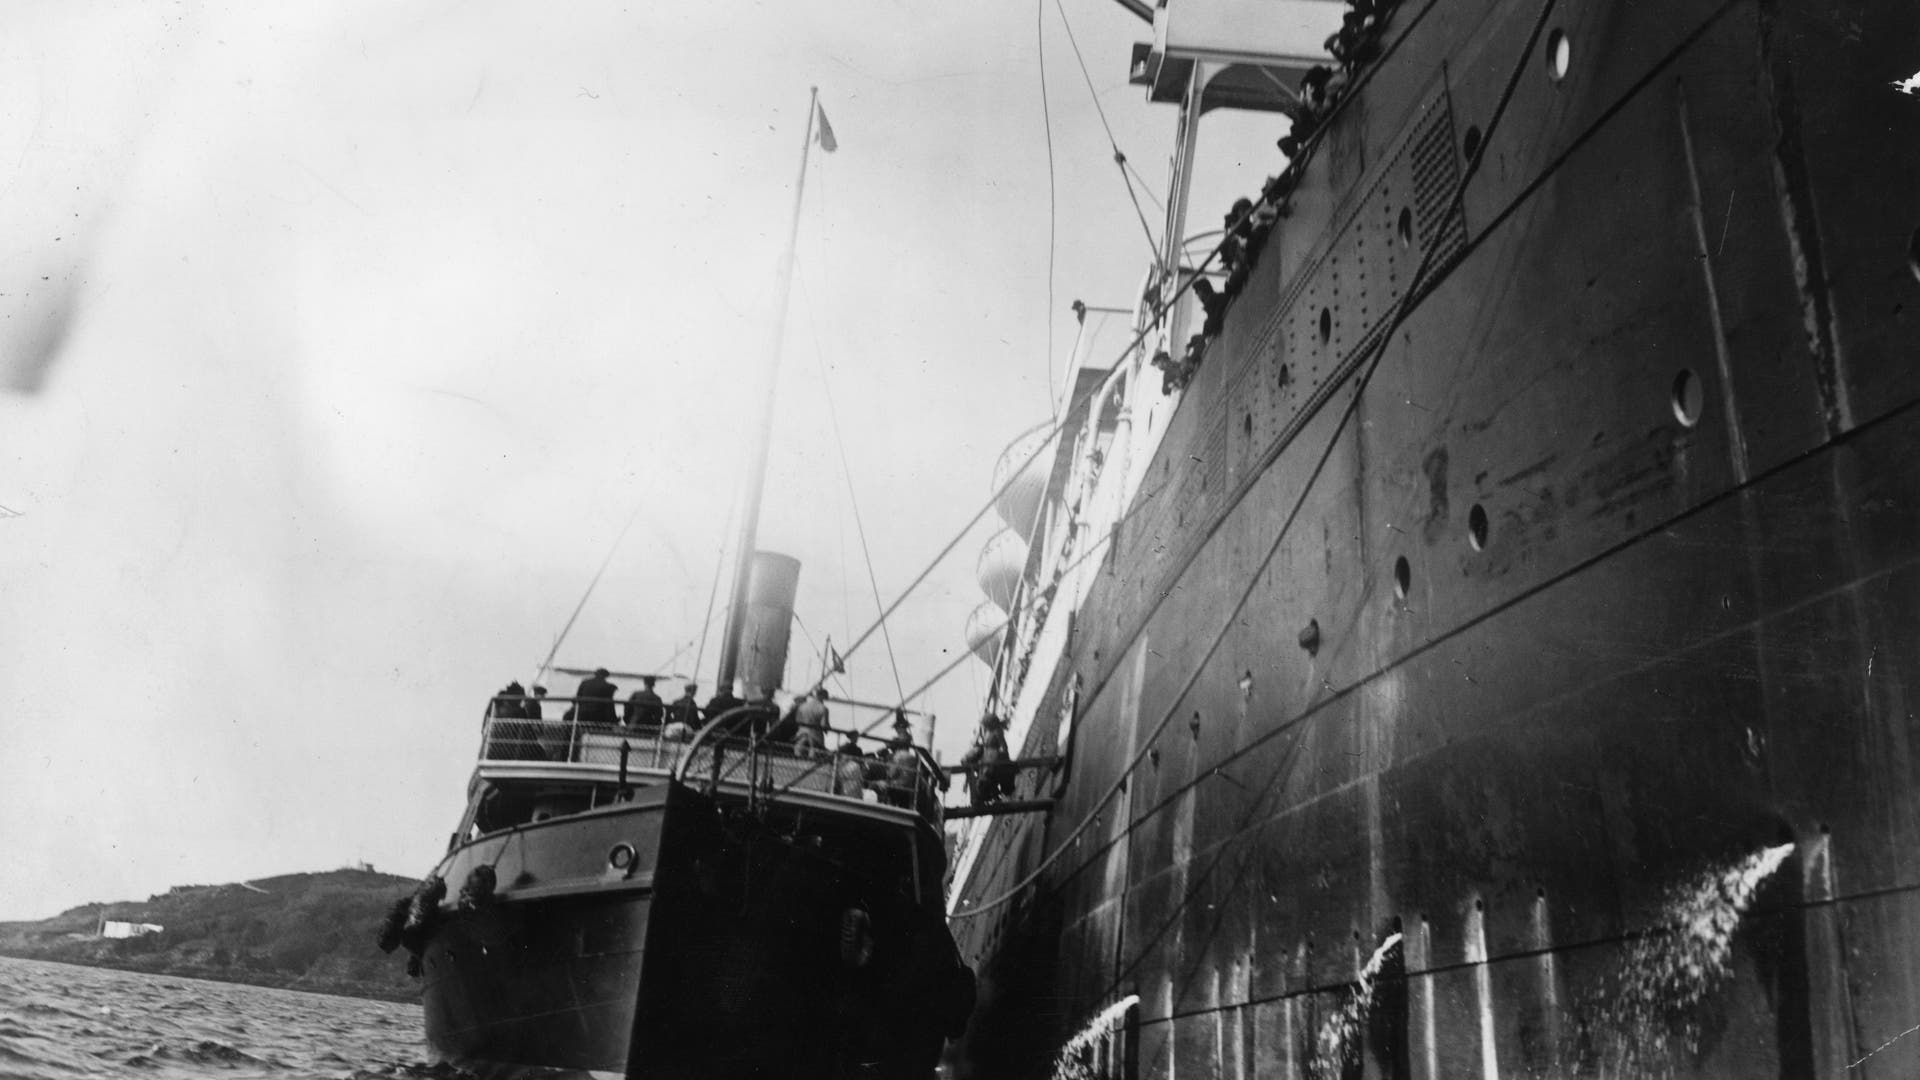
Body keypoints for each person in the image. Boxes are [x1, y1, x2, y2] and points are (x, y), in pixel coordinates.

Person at [961, 713, 1013, 807]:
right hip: (987, 757)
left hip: (993, 756)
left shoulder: (997, 731)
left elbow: (1004, 747)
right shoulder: (987, 732)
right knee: (984, 778)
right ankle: (992, 797)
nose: (984, 726)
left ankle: (996, 797)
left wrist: (1003, 758)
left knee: (988, 777)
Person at [791, 687, 830, 754]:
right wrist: (828, 729)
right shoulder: (823, 708)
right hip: (815, 736)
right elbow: (824, 725)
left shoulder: (802, 705)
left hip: (801, 733)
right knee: (814, 751)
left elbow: (797, 720)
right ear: (823, 696)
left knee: (798, 750)